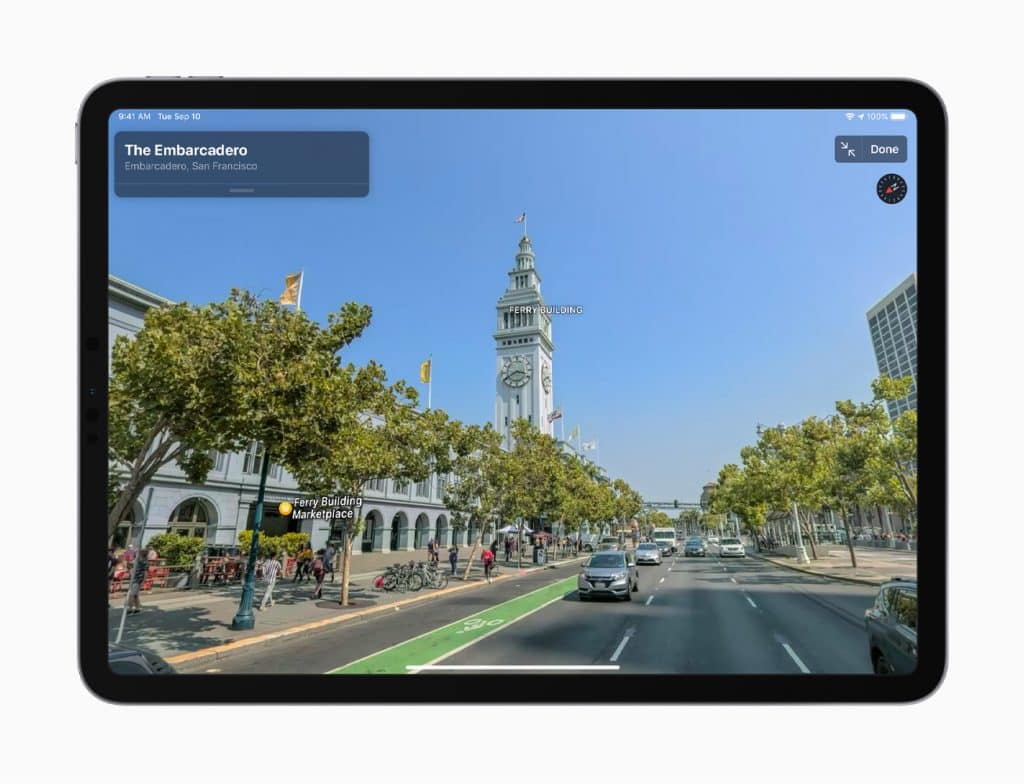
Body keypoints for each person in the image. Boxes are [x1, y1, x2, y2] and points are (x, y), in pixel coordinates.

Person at [126, 547, 149, 614]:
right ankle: (137, 608)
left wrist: (142, 582)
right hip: (136, 579)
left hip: (137, 579)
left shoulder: (143, 562)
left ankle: (130, 609)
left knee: (131, 594)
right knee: (135, 595)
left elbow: (145, 573)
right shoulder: (139, 560)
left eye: (139, 552)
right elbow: (130, 566)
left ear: (141, 553)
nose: (137, 553)